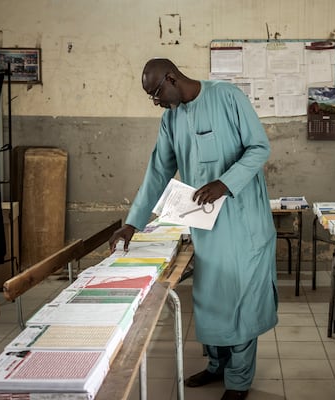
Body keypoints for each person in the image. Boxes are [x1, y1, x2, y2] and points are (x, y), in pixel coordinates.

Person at [108, 58, 278, 400]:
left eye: (156, 93)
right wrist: (131, 223)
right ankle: (217, 366)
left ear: (171, 78)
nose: (156, 101)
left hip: (243, 221)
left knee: (240, 301)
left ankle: (239, 381)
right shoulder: (171, 118)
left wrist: (224, 183)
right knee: (210, 300)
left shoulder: (227, 97)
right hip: (206, 225)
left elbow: (259, 148)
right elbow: (159, 171)